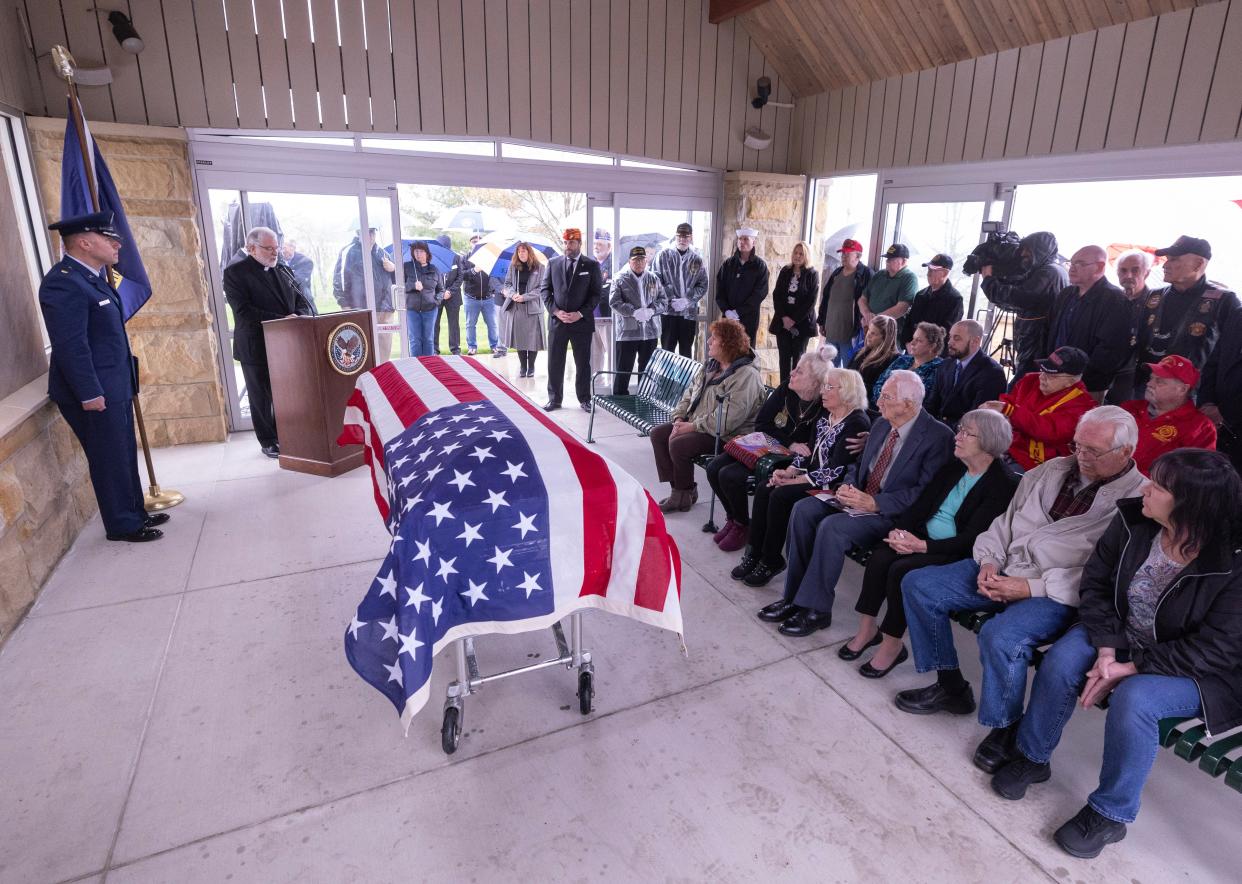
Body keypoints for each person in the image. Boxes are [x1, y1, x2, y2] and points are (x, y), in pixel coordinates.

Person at [989, 449, 1242, 859]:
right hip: (1122, 634)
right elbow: (1096, 585)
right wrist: (1109, 648)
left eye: (1158, 486)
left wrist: (1129, 667)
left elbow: (1216, 649)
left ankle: (1110, 814)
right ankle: (1033, 756)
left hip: (1202, 669)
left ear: (1189, 505)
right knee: (1064, 660)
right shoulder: (1133, 520)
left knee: (1136, 698)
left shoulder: (1231, 562)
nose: (1145, 487)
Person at [896, 407, 1145, 777]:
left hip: (1056, 592)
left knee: (1002, 636)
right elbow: (1005, 522)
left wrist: (1029, 587)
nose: (1081, 457)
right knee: (919, 585)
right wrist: (989, 563)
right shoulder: (1052, 470)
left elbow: (1104, 577)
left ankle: (1005, 727)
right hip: (1005, 567)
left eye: (1093, 451)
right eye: (1077, 446)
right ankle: (950, 685)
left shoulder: (1137, 503)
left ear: (1125, 453)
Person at [756, 370, 955, 636]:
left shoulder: (936, 436)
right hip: (857, 498)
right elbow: (859, 465)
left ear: (909, 404)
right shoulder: (883, 424)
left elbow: (924, 493)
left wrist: (874, 502)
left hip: (888, 512)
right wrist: (848, 487)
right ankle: (792, 597)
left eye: (886, 396)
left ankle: (816, 609)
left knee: (832, 528)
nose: (879, 402)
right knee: (803, 509)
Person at [843, 409, 1019, 677]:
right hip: (921, 538)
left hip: (955, 553)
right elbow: (920, 505)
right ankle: (867, 629)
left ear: (988, 442)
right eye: (959, 429)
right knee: (882, 554)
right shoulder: (954, 466)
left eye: (966, 433)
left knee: (902, 570)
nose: (957, 437)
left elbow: (974, 539)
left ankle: (892, 644)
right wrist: (900, 532)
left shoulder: (1002, 484)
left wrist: (922, 547)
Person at [39, 211, 165, 543]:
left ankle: (135, 511)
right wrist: (88, 392)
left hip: (114, 385)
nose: (117, 243)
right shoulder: (63, 282)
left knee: (122, 451)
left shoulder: (91, 277)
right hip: (94, 391)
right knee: (108, 457)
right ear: (83, 242)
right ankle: (123, 524)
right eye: (108, 239)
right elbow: (71, 346)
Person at [731, 364, 871, 588]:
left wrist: (792, 481)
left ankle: (771, 559)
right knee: (766, 486)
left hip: (832, 487)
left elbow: (836, 470)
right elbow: (809, 452)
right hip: (813, 477)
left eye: (829, 387)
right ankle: (754, 553)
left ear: (846, 392)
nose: (823, 392)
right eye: (823, 386)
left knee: (780, 495)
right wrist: (787, 471)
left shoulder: (856, 423)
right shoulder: (826, 416)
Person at [705, 350, 829, 553]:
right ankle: (735, 519)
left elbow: (857, 411)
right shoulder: (786, 389)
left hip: (787, 462)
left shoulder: (823, 404)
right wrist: (789, 442)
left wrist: (864, 436)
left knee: (730, 475)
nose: (792, 373)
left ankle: (742, 525)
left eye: (800, 371)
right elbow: (762, 422)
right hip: (766, 445)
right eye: (795, 368)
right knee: (714, 467)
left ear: (815, 382)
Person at [649, 319, 765, 512]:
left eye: (714, 338)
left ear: (728, 343)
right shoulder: (710, 367)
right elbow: (688, 394)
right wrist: (679, 418)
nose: (709, 342)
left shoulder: (746, 375)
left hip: (728, 435)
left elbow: (729, 418)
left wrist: (692, 426)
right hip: (700, 424)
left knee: (678, 444)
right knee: (658, 434)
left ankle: (681, 495)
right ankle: (682, 491)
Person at [223, 226, 315, 458]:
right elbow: (243, 311)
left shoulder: (283, 269)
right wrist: (283, 321)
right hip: (256, 346)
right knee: (261, 397)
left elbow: (302, 298)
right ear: (251, 248)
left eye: (276, 248)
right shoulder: (236, 273)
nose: (275, 253)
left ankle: (291, 433)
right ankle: (269, 441)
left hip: (286, 347)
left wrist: (301, 314)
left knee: (288, 393)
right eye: (268, 248)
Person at [1136, 235, 1239, 384]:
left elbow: (1231, 354)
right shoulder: (1153, 296)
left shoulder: (1224, 301)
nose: (1165, 265)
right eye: (1167, 259)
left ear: (1198, 264)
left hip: (1193, 392)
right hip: (1147, 384)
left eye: (1174, 259)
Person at [983, 346, 1095, 472]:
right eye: (1043, 370)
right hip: (1007, 446)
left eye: (1051, 375)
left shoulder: (1082, 405)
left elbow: (1048, 431)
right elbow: (1008, 401)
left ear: (1071, 381)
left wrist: (1010, 412)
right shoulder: (1030, 380)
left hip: (1037, 463)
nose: (1042, 377)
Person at [1045, 245, 1133, 399]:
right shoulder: (1066, 294)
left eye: (1079, 264)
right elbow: (1050, 331)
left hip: (1086, 385)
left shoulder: (1114, 300)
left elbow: (1110, 350)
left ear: (1099, 267)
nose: (1072, 268)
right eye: (1071, 263)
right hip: (1054, 377)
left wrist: (1076, 376)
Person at [980, 231, 1067, 380]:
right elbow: (1022, 302)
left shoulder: (1049, 272)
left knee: (1022, 384)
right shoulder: (1051, 270)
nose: (1022, 254)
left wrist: (989, 280)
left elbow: (1019, 297)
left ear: (1040, 250)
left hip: (1036, 344)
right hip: (1034, 342)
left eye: (1028, 249)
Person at [1117, 355, 1216, 473]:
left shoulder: (1200, 428)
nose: (1149, 384)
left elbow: (1194, 476)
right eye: (1151, 378)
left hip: (1149, 489)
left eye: (1159, 381)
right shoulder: (1129, 407)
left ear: (1182, 389)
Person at [541, 228, 603, 411]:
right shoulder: (553, 263)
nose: (568, 246)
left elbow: (596, 294)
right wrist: (555, 311)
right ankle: (554, 399)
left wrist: (580, 313)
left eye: (572, 243)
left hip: (581, 323)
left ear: (579, 244)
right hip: (557, 322)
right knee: (554, 362)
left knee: (583, 363)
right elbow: (545, 290)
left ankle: (584, 399)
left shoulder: (591, 265)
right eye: (566, 243)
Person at [925, 320, 1007, 429]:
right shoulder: (946, 364)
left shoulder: (992, 373)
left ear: (975, 341)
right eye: (950, 337)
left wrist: (940, 433)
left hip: (964, 436)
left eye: (957, 338)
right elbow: (931, 404)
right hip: (937, 431)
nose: (949, 342)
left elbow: (977, 418)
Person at [608, 245, 667, 394]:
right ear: (629, 261)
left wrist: (652, 310)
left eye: (642, 259)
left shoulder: (653, 278)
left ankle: (644, 398)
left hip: (650, 333)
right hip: (627, 333)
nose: (639, 263)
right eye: (635, 260)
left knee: (646, 370)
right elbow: (614, 303)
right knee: (624, 369)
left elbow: (663, 301)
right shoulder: (620, 279)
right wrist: (633, 312)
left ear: (646, 261)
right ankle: (620, 401)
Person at [333, 226, 395, 356]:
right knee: (360, 346)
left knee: (384, 348)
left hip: (384, 309)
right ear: (358, 233)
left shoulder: (384, 254)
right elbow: (338, 280)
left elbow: (397, 282)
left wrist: (393, 268)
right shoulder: (348, 252)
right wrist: (344, 304)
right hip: (360, 308)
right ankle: (364, 375)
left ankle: (382, 374)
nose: (370, 235)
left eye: (372, 232)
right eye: (366, 232)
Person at [1106, 249, 1155, 404]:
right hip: (1105, 371)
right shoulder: (1111, 300)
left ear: (1146, 273)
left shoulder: (1156, 304)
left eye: (1135, 270)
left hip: (1134, 376)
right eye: (1123, 270)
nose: (1128, 276)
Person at [654, 222, 708, 357]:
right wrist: (671, 299)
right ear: (675, 236)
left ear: (691, 238)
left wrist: (687, 300)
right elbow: (655, 282)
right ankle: (666, 379)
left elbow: (703, 285)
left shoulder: (697, 260)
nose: (683, 240)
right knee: (667, 352)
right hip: (668, 313)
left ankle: (686, 379)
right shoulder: (663, 256)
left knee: (686, 352)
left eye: (686, 236)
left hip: (688, 314)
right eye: (680, 236)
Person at [768, 241, 819, 385]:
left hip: (801, 325)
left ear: (806, 256)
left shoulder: (812, 274)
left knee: (798, 360)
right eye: (795, 253)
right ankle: (783, 391)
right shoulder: (785, 271)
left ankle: (795, 392)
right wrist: (784, 318)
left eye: (801, 253)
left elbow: (811, 301)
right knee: (783, 359)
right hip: (782, 323)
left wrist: (793, 320)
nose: (797, 256)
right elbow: (777, 295)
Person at [1198, 306, 1242, 473]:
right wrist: (1207, 403)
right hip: (1218, 424)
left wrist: (1225, 412)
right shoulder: (1237, 313)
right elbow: (1213, 362)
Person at [817, 238, 871, 362]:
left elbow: (868, 301)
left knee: (849, 371)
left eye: (847, 253)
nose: (843, 256)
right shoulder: (836, 273)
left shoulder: (865, 274)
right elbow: (825, 298)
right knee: (829, 370)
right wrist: (821, 321)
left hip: (851, 335)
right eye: (842, 253)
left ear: (858, 256)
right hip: (831, 331)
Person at [715, 227, 770, 345]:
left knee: (746, 351)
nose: (742, 242)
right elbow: (720, 290)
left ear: (753, 242)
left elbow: (760, 293)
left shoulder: (760, 266)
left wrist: (739, 312)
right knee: (727, 349)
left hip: (749, 318)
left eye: (746, 239)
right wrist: (727, 311)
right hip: (729, 318)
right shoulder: (728, 264)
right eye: (740, 239)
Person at [501, 242, 547, 378]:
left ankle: (531, 367)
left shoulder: (540, 267)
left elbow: (541, 288)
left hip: (533, 309)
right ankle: (523, 366)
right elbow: (507, 284)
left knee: (532, 340)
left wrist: (525, 297)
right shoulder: (513, 267)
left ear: (529, 252)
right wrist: (512, 294)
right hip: (516, 308)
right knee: (520, 339)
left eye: (524, 251)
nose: (521, 253)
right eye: (519, 251)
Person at [870, 321, 945, 404]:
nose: (912, 343)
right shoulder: (903, 359)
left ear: (932, 346)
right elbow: (879, 383)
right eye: (913, 339)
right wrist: (883, 400)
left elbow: (921, 400)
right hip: (880, 406)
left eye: (919, 340)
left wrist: (890, 403)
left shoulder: (939, 369)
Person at [900, 253, 962, 350]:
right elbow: (909, 322)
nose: (928, 273)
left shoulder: (954, 299)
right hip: (912, 350)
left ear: (945, 273)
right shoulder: (921, 295)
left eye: (934, 270)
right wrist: (907, 343)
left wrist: (925, 347)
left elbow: (946, 332)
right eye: (929, 269)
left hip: (934, 354)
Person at [858, 243, 918, 335]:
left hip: (888, 333)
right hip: (869, 327)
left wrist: (875, 319)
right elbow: (862, 299)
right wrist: (867, 314)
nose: (887, 261)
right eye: (887, 259)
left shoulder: (909, 278)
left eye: (892, 259)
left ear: (903, 261)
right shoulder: (880, 274)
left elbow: (902, 308)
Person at [402, 240, 444, 357]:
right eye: (416, 251)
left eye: (421, 251)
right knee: (415, 339)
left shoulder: (434, 269)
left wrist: (436, 301)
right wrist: (412, 286)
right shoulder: (407, 267)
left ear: (427, 253)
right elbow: (400, 287)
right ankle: (416, 365)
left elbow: (441, 289)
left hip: (430, 310)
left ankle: (428, 365)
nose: (418, 254)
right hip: (412, 310)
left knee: (428, 339)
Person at [847, 314, 899, 405]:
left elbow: (880, 391)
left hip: (866, 407)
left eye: (873, 333)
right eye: (869, 330)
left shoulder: (893, 360)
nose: (868, 335)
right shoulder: (860, 352)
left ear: (885, 338)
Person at [462, 234, 499, 357]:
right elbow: (461, 275)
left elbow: (496, 276)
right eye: (473, 241)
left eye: (479, 241)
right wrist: (474, 270)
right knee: (470, 324)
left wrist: (493, 291)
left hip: (488, 298)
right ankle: (472, 347)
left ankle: (494, 346)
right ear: (470, 243)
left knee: (492, 324)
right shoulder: (465, 259)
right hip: (471, 298)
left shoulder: (490, 258)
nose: (476, 243)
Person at [589, 228, 615, 390]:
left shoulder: (614, 264)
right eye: (595, 244)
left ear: (609, 246)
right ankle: (596, 387)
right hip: (591, 317)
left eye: (600, 244)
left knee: (611, 353)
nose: (596, 247)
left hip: (608, 318)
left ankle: (612, 386)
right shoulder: (590, 263)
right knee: (594, 355)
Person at [433, 234, 463, 355]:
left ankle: (455, 349)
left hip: (453, 297)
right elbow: (431, 278)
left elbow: (460, 276)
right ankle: (434, 349)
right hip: (437, 296)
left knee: (454, 324)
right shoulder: (432, 258)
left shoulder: (456, 257)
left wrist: (450, 291)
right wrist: (441, 292)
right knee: (435, 323)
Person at [280, 237, 315, 304]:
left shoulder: (305, 261)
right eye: (281, 248)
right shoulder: (278, 261)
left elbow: (297, 281)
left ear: (293, 248)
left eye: (284, 248)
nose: (282, 251)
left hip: (303, 300)